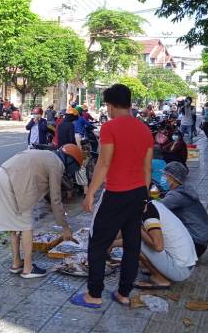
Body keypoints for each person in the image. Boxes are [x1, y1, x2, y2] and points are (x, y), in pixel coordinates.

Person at [71, 84, 153, 309]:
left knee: (97, 243)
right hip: (138, 194)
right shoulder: (144, 129)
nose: (106, 109)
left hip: (116, 194)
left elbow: (104, 163)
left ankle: (94, 295)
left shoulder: (110, 128)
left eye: (106, 105)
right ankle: (124, 293)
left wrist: (90, 193)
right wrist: (145, 197)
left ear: (111, 104)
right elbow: (147, 169)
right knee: (132, 244)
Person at [0, 144, 81, 278]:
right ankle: (28, 269)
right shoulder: (57, 164)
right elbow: (55, 199)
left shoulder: (48, 155)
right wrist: (65, 227)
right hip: (16, 180)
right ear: (70, 162)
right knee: (26, 225)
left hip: (2, 173)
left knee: (15, 225)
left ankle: (17, 263)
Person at [135, 199, 197, 290]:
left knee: (134, 243)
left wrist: (136, 227)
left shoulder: (149, 215)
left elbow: (158, 247)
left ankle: (160, 280)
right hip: (188, 265)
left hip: (181, 271)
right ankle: (155, 269)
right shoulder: (153, 204)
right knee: (138, 237)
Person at [160, 162, 208, 258]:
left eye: (165, 175)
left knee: (154, 228)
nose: (164, 178)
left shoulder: (177, 196)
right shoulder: (185, 189)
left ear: (173, 178)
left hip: (194, 244)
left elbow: (156, 209)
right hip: (200, 242)